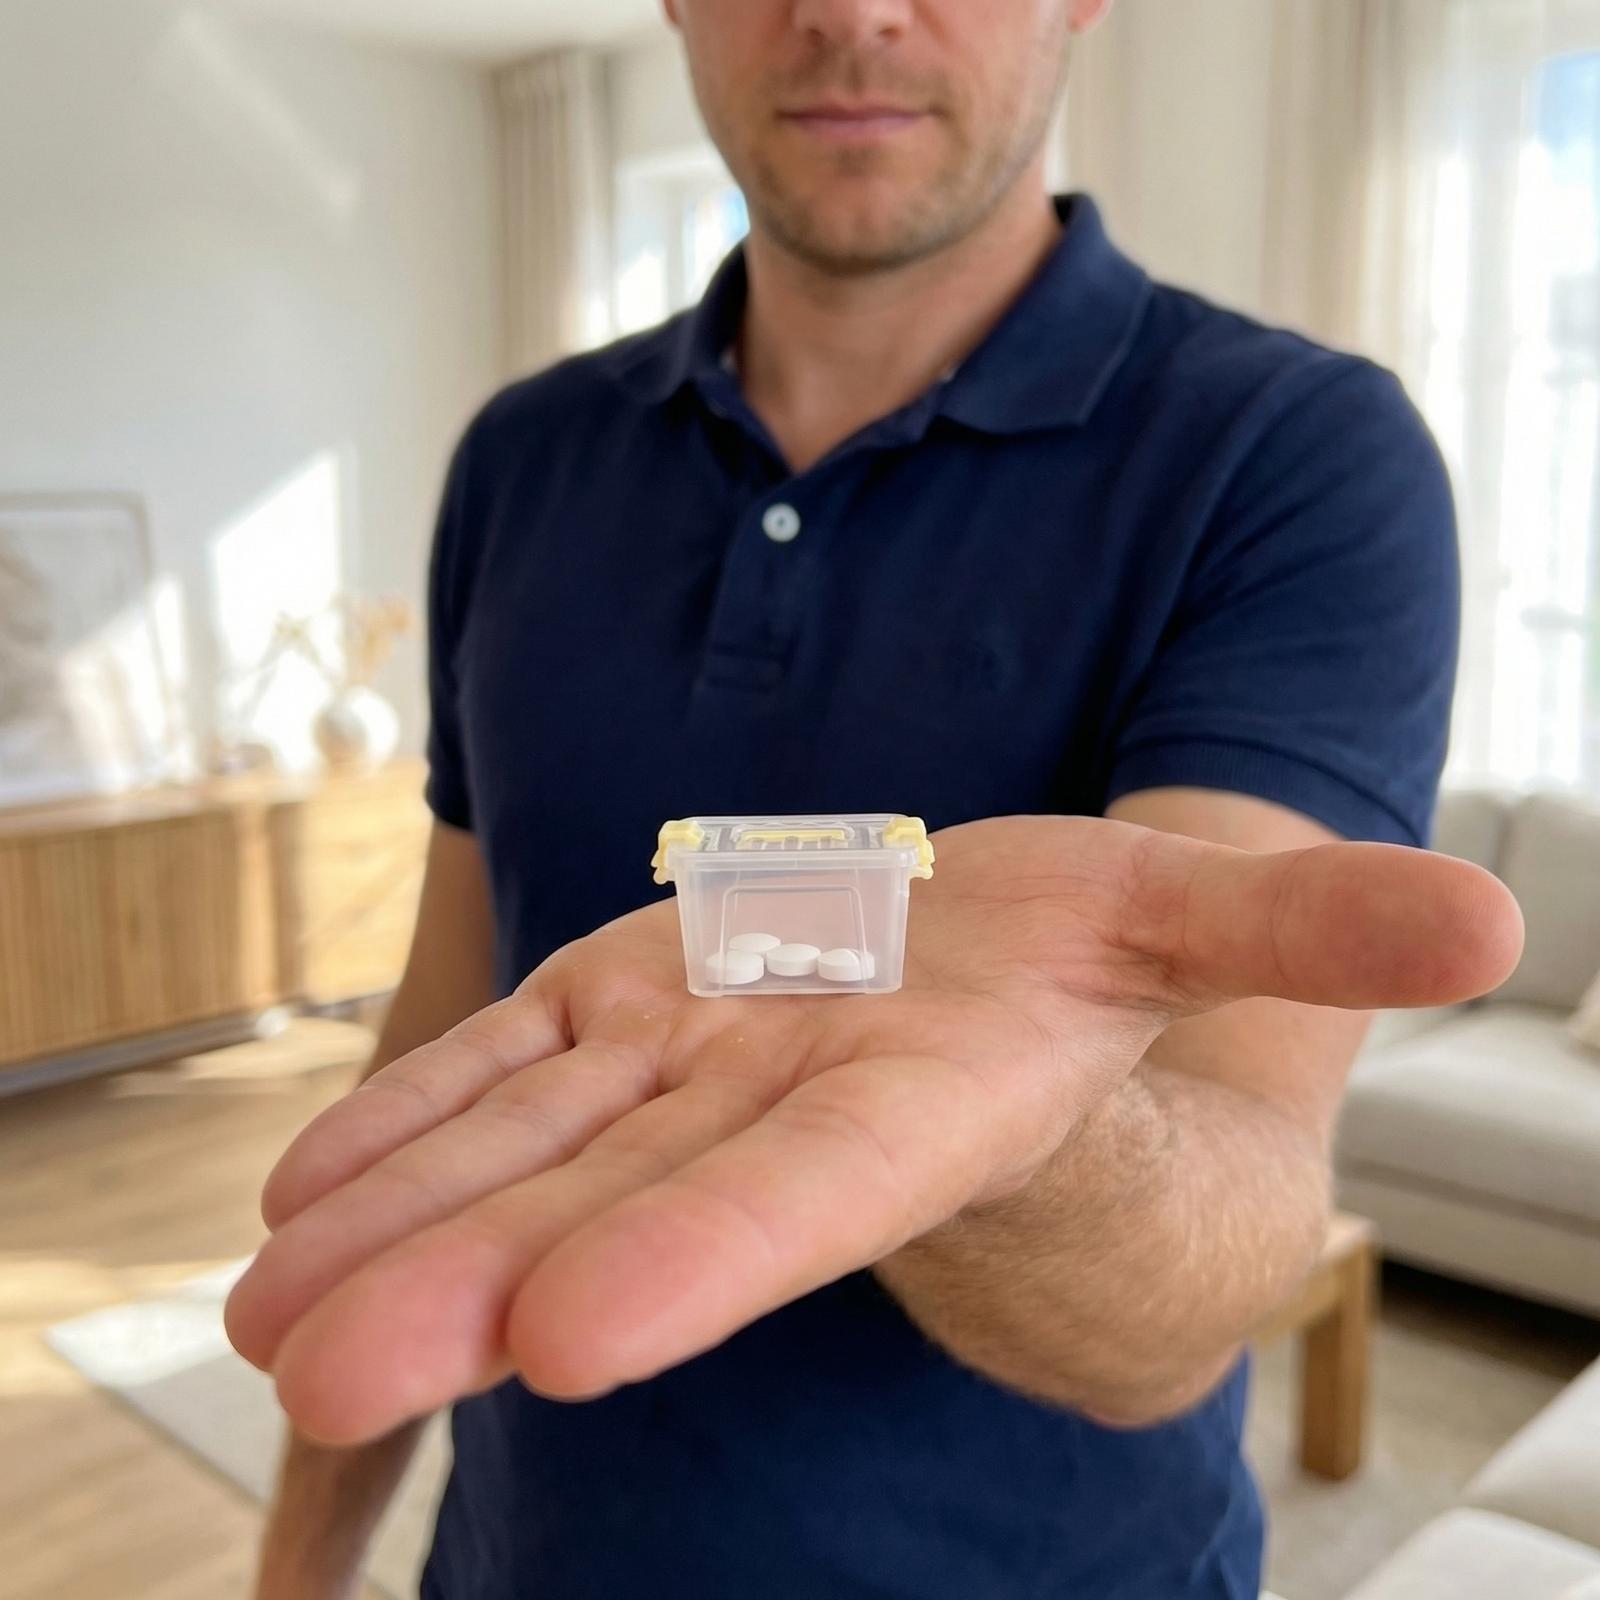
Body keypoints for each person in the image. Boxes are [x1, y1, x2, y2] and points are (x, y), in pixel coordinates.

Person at [227, 2, 1525, 1596]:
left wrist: (1012, 1127)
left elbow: (1199, 1275)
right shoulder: (519, 457)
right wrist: (298, 1569)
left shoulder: (1297, 455)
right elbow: (441, 1043)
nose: (848, 10)